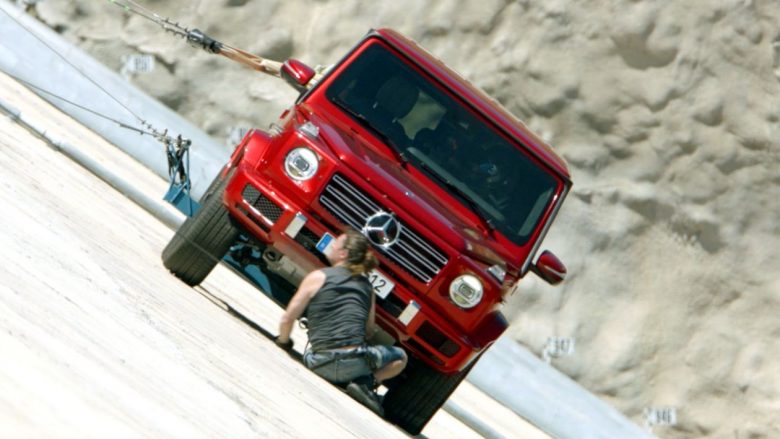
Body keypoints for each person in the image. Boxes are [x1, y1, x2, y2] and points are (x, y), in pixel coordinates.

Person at [274, 230, 407, 416]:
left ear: (343, 254)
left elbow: (287, 319)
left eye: (336, 243)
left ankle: (355, 378)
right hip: (355, 366)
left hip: (318, 363)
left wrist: (284, 342)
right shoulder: (368, 288)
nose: (332, 245)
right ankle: (365, 383)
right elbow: (368, 331)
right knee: (400, 356)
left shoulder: (318, 277)